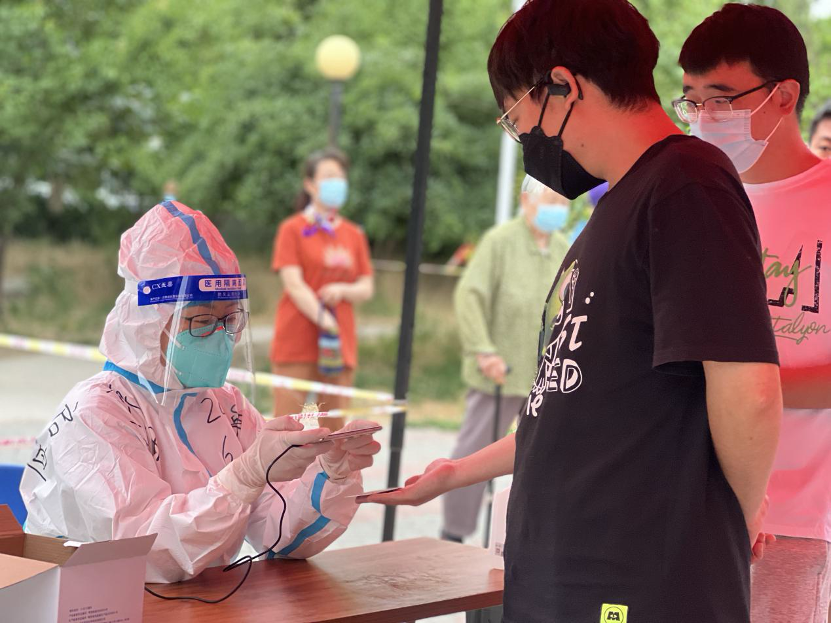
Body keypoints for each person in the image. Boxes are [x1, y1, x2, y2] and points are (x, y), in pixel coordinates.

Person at [368, 1, 782, 621]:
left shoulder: (686, 183)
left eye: (518, 119)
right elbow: (573, 404)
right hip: (569, 573)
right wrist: (455, 472)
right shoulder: (619, 203)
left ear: (563, 85)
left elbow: (747, 388)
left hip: (634, 582)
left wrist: (729, 520)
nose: (525, 141)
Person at [20, 201, 381, 583]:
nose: (221, 336)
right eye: (203, 320)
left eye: (230, 318)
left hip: (194, 599)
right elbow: (147, 553)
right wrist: (244, 476)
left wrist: (330, 475)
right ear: (149, 320)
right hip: (90, 600)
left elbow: (278, 533)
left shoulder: (226, 406)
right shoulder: (96, 414)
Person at [678, 5, 830, 622]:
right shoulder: (686, 200)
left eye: (721, 99)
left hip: (797, 517)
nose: (703, 117)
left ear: (783, 96)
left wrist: (737, 390)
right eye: (691, 100)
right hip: (682, 503)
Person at [442, 175, 570, 543]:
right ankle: (454, 532)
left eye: (563, 204)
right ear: (526, 201)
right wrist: (483, 350)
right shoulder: (500, 242)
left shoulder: (563, 248)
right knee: (474, 455)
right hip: (497, 372)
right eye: (550, 201)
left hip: (541, 377)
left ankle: (526, 538)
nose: (557, 210)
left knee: (538, 458)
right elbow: (470, 295)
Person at [271, 148, 374, 430]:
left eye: (341, 177)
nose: (337, 183)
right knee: (286, 425)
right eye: (329, 177)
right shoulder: (292, 229)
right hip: (297, 338)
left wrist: (343, 290)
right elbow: (293, 283)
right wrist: (322, 317)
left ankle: (331, 463)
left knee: (335, 425)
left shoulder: (354, 234)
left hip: (338, 343)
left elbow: (366, 286)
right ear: (310, 184)